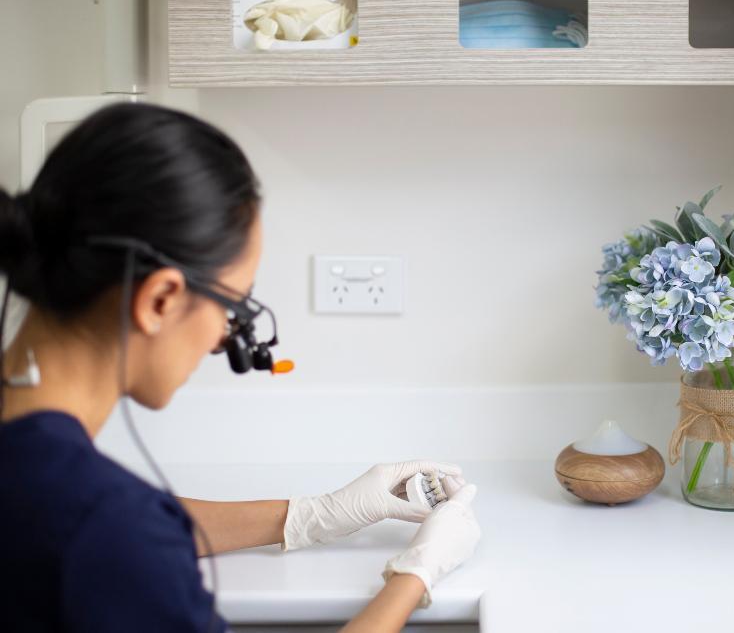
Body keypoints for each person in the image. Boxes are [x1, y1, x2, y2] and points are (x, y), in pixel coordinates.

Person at [0, 103, 481, 632]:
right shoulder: (109, 531)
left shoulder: (57, 489)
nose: (223, 338)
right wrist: (416, 576)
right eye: (233, 306)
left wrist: (309, 516)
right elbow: (113, 534)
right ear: (160, 299)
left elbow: (100, 521)